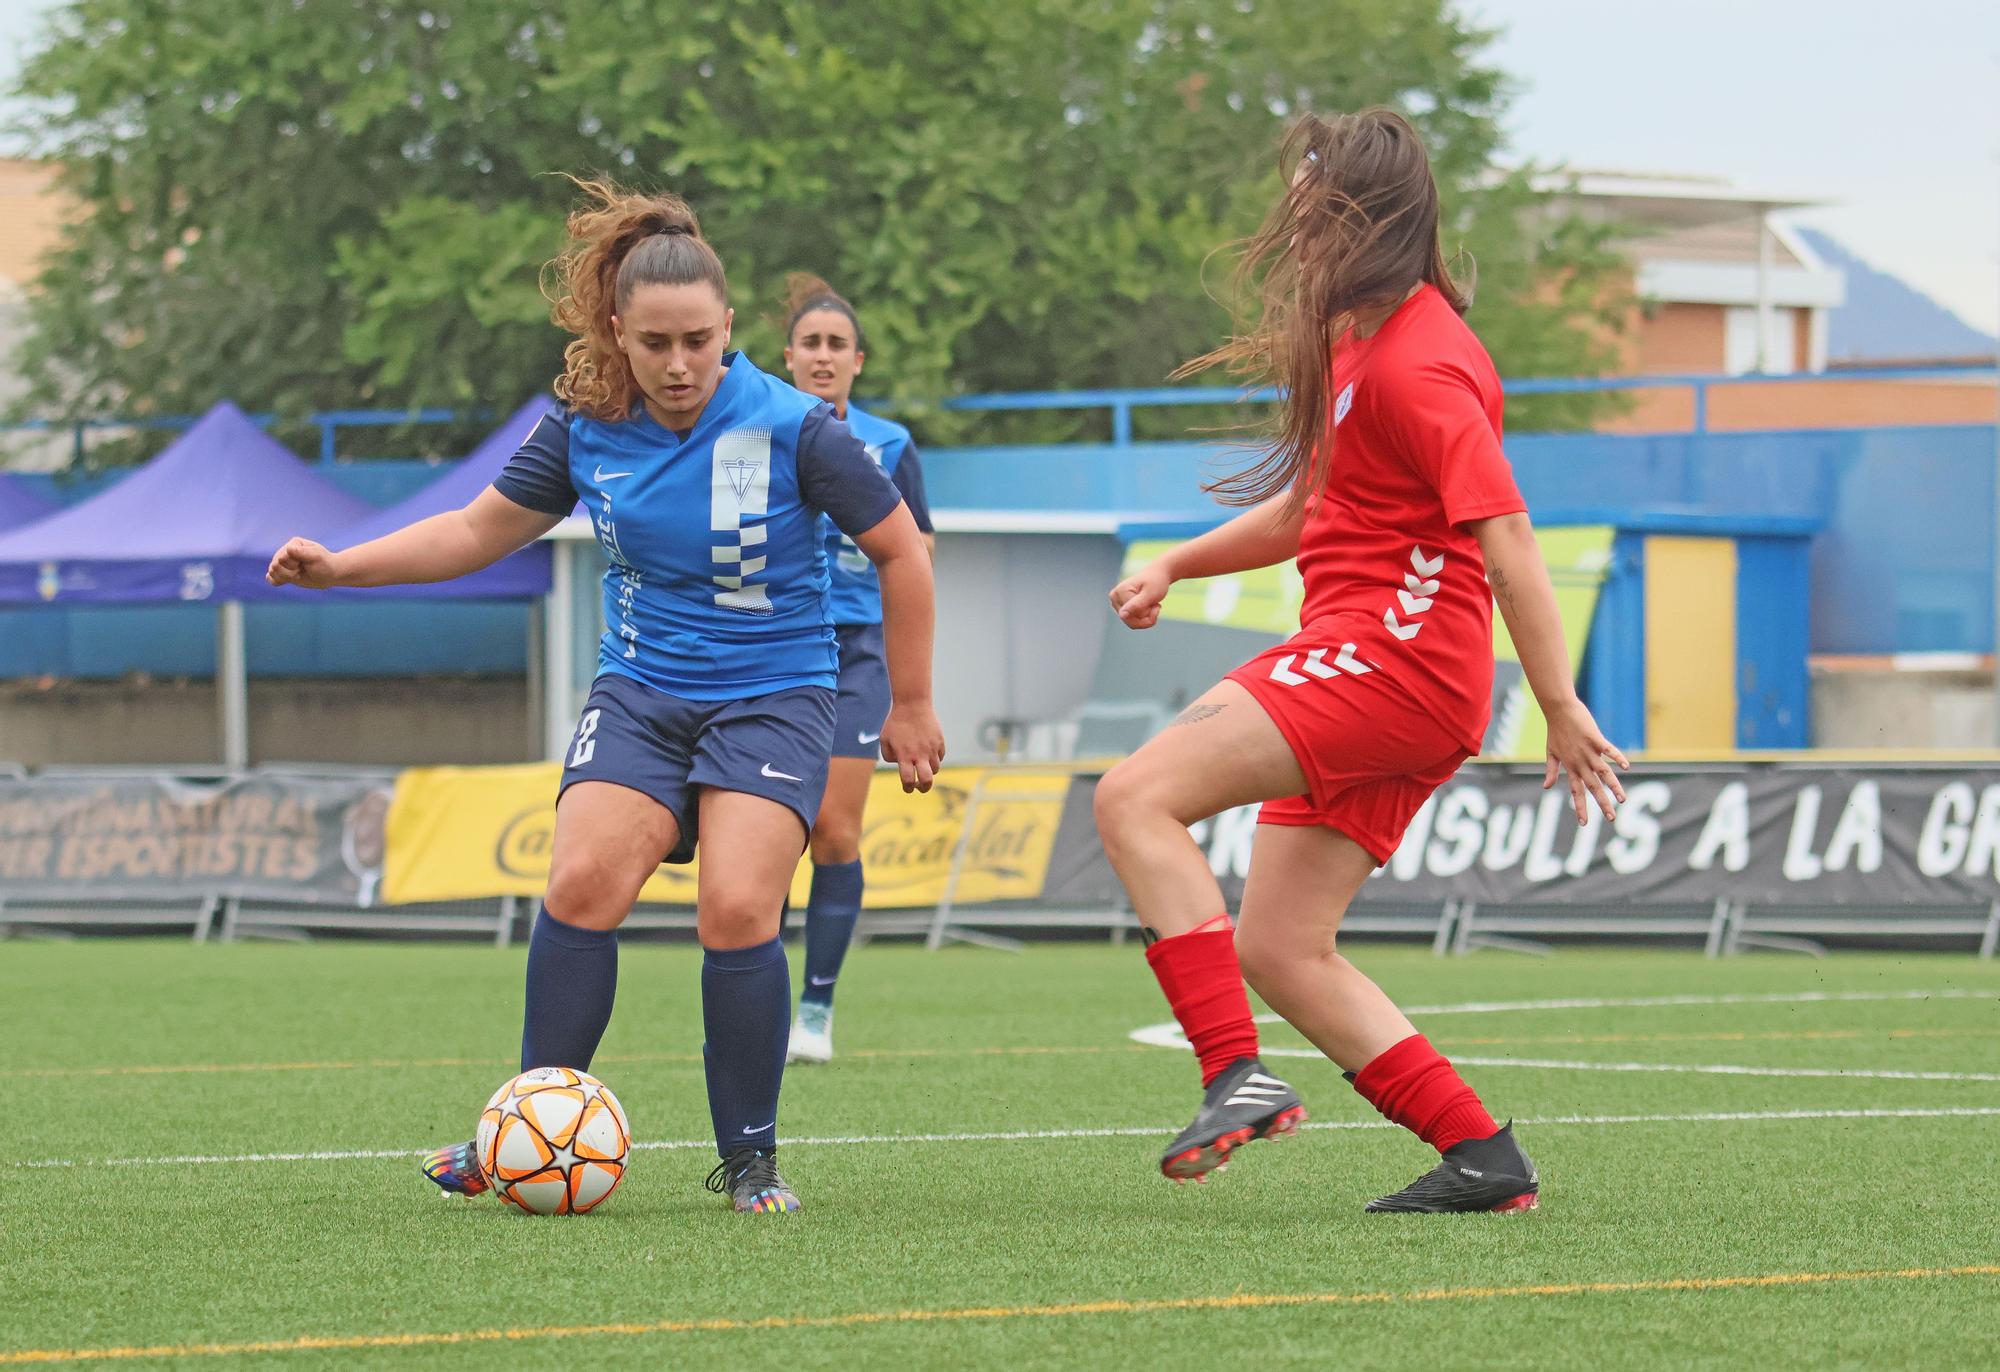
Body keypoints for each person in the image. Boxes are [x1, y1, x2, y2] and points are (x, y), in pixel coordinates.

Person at [266, 179, 943, 1215]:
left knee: (736, 907)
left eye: (697, 342)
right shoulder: (585, 425)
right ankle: (519, 1130)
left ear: (727, 331)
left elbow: (901, 552)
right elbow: (473, 530)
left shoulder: (797, 427)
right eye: (655, 343)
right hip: (640, 691)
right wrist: (339, 565)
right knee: (581, 882)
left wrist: (909, 703)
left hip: (774, 694)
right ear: (617, 332)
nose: (678, 366)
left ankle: (750, 1162)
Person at [1095, 109, 1628, 1213]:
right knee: (1282, 944)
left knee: (1134, 797)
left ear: (1365, 224)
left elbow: (1509, 536)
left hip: (1390, 665)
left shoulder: (1423, 365)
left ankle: (1233, 1073)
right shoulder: (1362, 344)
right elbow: (1310, 506)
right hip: (1380, 668)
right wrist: (1179, 565)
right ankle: (1480, 1155)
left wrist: (1559, 703)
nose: (1291, 242)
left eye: (1308, 221)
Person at [777, 274, 934, 1064]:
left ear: (857, 361)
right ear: (788, 357)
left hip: (858, 652)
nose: (824, 356)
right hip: (772, 645)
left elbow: (919, 553)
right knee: (768, 832)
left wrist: (919, 689)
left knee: (834, 829)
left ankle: (816, 1008)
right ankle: (758, 1000)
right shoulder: (760, 429)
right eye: (811, 343)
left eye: (838, 344)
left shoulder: (890, 444)